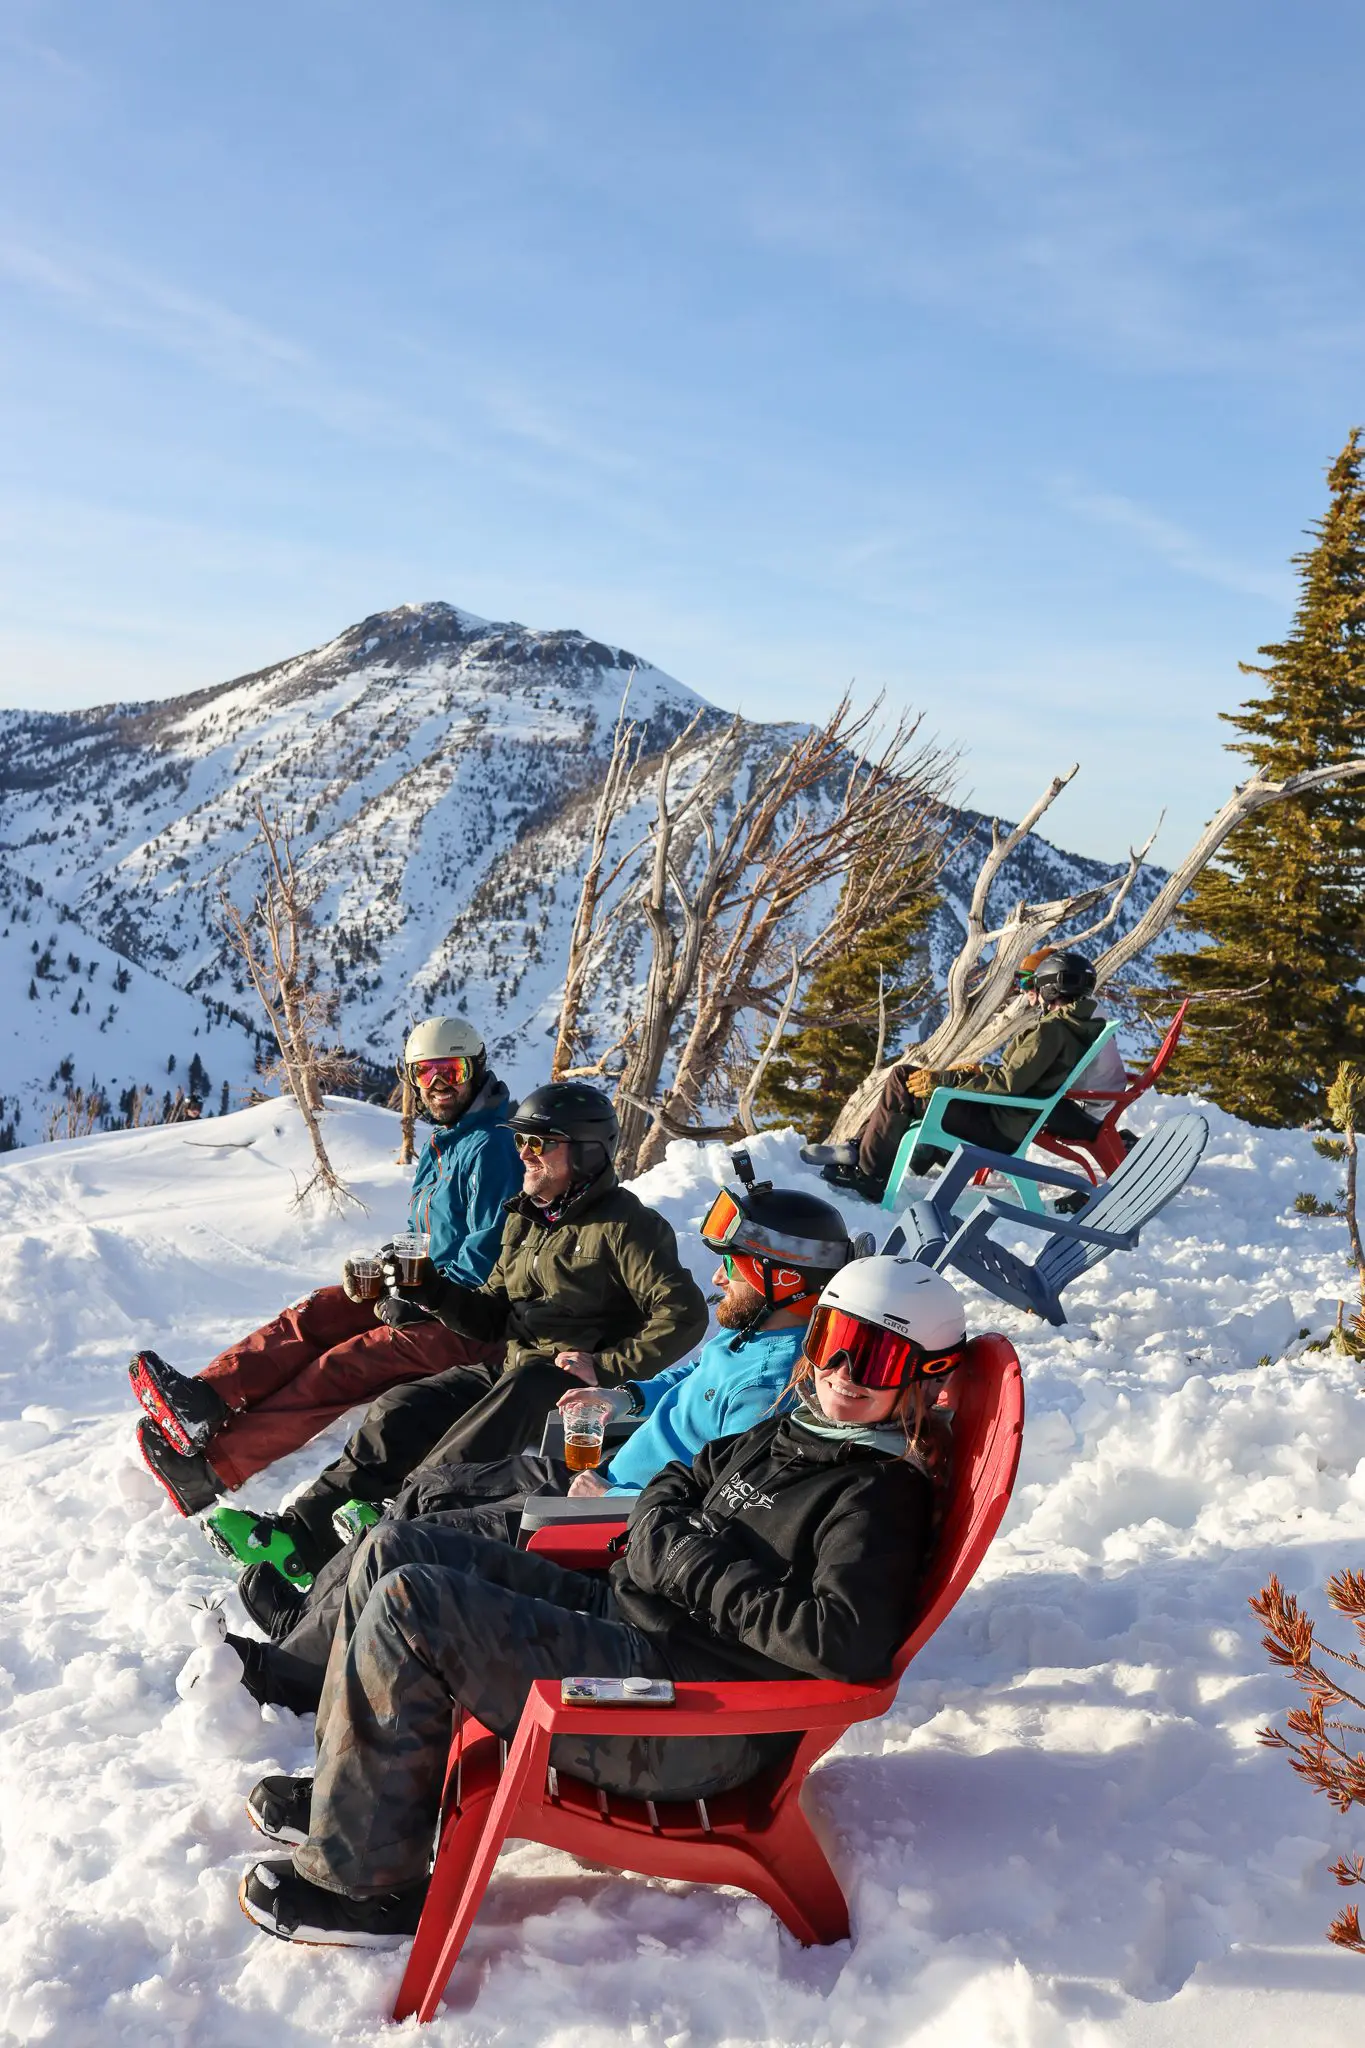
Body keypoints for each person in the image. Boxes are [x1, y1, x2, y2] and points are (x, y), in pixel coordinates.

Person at [236, 1255, 970, 1946]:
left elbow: (842, 1642)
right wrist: (665, 1532)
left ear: (925, 1375)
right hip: (631, 1628)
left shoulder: (876, 1493)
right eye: (836, 1343)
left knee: (412, 1605)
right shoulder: (796, 1431)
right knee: (399, 1545)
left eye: (874, 1359)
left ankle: (371, 1887)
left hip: (682, 1713)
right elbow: (675, 1483)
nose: (844, 1372)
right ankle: (362, 1806)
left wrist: (684, 1557)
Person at [225, 1179, 857, 1706]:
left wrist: (621, 1495)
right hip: (604, 1480)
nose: (719, 1280)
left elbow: (717, 1502)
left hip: (611, 1516)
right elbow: (687, 1375)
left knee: (415, 1535)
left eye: (734, 1268)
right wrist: (624, 1397)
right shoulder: (750, 1337)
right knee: (429, 1488)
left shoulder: (776, 1385)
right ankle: (313, 1624)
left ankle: (299, 1676)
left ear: (784, 1280)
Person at [203, 1079, 710, 1578]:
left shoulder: (628, 1227)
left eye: (540, 1143)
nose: (525, 1154)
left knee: (515, 1394)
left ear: (587, 1153)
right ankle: (299, 1536)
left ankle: (399, 1515)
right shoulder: (525, 1219)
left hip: (570, 1389)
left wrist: (603, 1367)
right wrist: (427, 1290)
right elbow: (491, 1312)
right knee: (401, 1408)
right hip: (515, 1369)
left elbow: (684, 1314)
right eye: (521, 1141)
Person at [130, 1019, 522, 1517]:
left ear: (477, 1069)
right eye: (425, 1074)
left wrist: (422, 1294)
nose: (439, 1085)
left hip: (471, 1322)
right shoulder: (447, 1142)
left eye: (451, 1070)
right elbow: (428, 1236)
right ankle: (204, 1400)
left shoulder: (493, 1146)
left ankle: (210, 1470)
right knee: (318, 1312)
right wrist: (389, 1266)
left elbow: (488, 1255)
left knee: (345, 1363)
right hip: (429, 1294)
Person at [814, 947, 1125, 1201]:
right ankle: (863, 1152)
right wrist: (970, 1074)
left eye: (1035, 985)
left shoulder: (1052, 1031)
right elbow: (1021, 1077)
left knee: (902, 1079)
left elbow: (1009, 1083)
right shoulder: (1077, 1026)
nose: (1030, 992)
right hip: (1008, 1118)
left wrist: (947, 1080)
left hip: (999, 1127)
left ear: (1049, 986)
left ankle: (869, 1173)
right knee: (908, 1081)